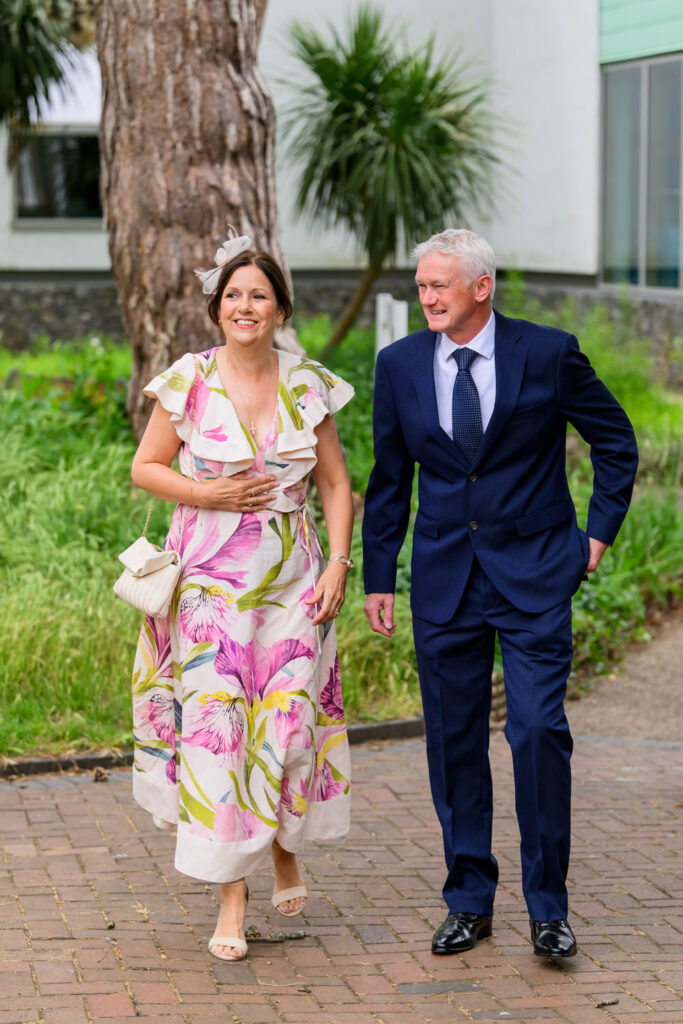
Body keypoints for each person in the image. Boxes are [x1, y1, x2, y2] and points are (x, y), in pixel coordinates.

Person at [362, 229, 638, 959]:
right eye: (420, 286)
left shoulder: (546, 352)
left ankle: (547, 909)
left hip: (535, 573)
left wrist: (597, 534)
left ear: (479, 287)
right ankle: (469, 900)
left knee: (537, 731)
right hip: (444, 580)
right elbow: (389, 481)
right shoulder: (399, 366)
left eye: (438, 285)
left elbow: (614, 440)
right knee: (453, 745)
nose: (425, 297)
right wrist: (378, 574)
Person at [129, 229, 355, 962]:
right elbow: (146, 468)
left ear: (280, 307)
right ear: (216, 308)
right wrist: (209, 491)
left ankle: (284, 843)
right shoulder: (188, 379)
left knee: (286, 725)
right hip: (209, 593)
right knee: (218, 736)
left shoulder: (304, 382)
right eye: (233, 295)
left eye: (258, 294)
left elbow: (333, 483)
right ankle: (233, 895)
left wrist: (339, 564)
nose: (245, 305)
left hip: (293, 586)